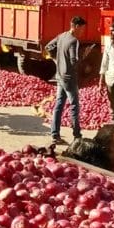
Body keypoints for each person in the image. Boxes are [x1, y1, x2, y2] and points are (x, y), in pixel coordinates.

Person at [47, 16, 88, 145]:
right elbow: (73, 61)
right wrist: (84, 57)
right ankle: (77, 135)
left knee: (59, 105)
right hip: (69, 79)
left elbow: (48, 47)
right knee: (74, 106)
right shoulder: (74, 41)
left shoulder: (61, 36)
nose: (82, 31)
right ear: (75, 26)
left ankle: (55, 134)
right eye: (81, 28)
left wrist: (56, 61)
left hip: (59, 76)